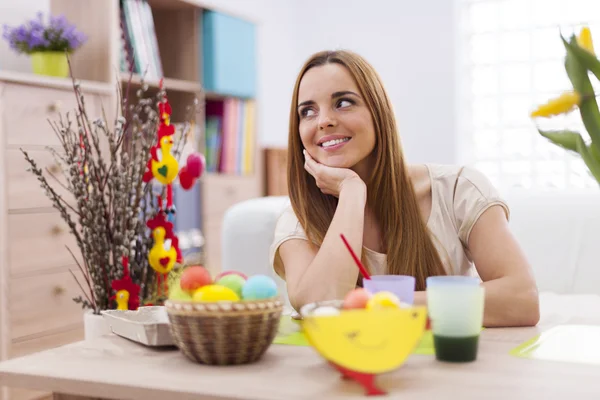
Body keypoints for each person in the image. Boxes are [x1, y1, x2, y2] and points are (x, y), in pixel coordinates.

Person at [269, 50, 540, 327]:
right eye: (308, 111)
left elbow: (521, 299)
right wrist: (351, 193)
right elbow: (322, 308)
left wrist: (378, 304)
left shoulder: (457, 189)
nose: (323, 120)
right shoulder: (298, 218)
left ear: (378, 111)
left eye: (344, 102)